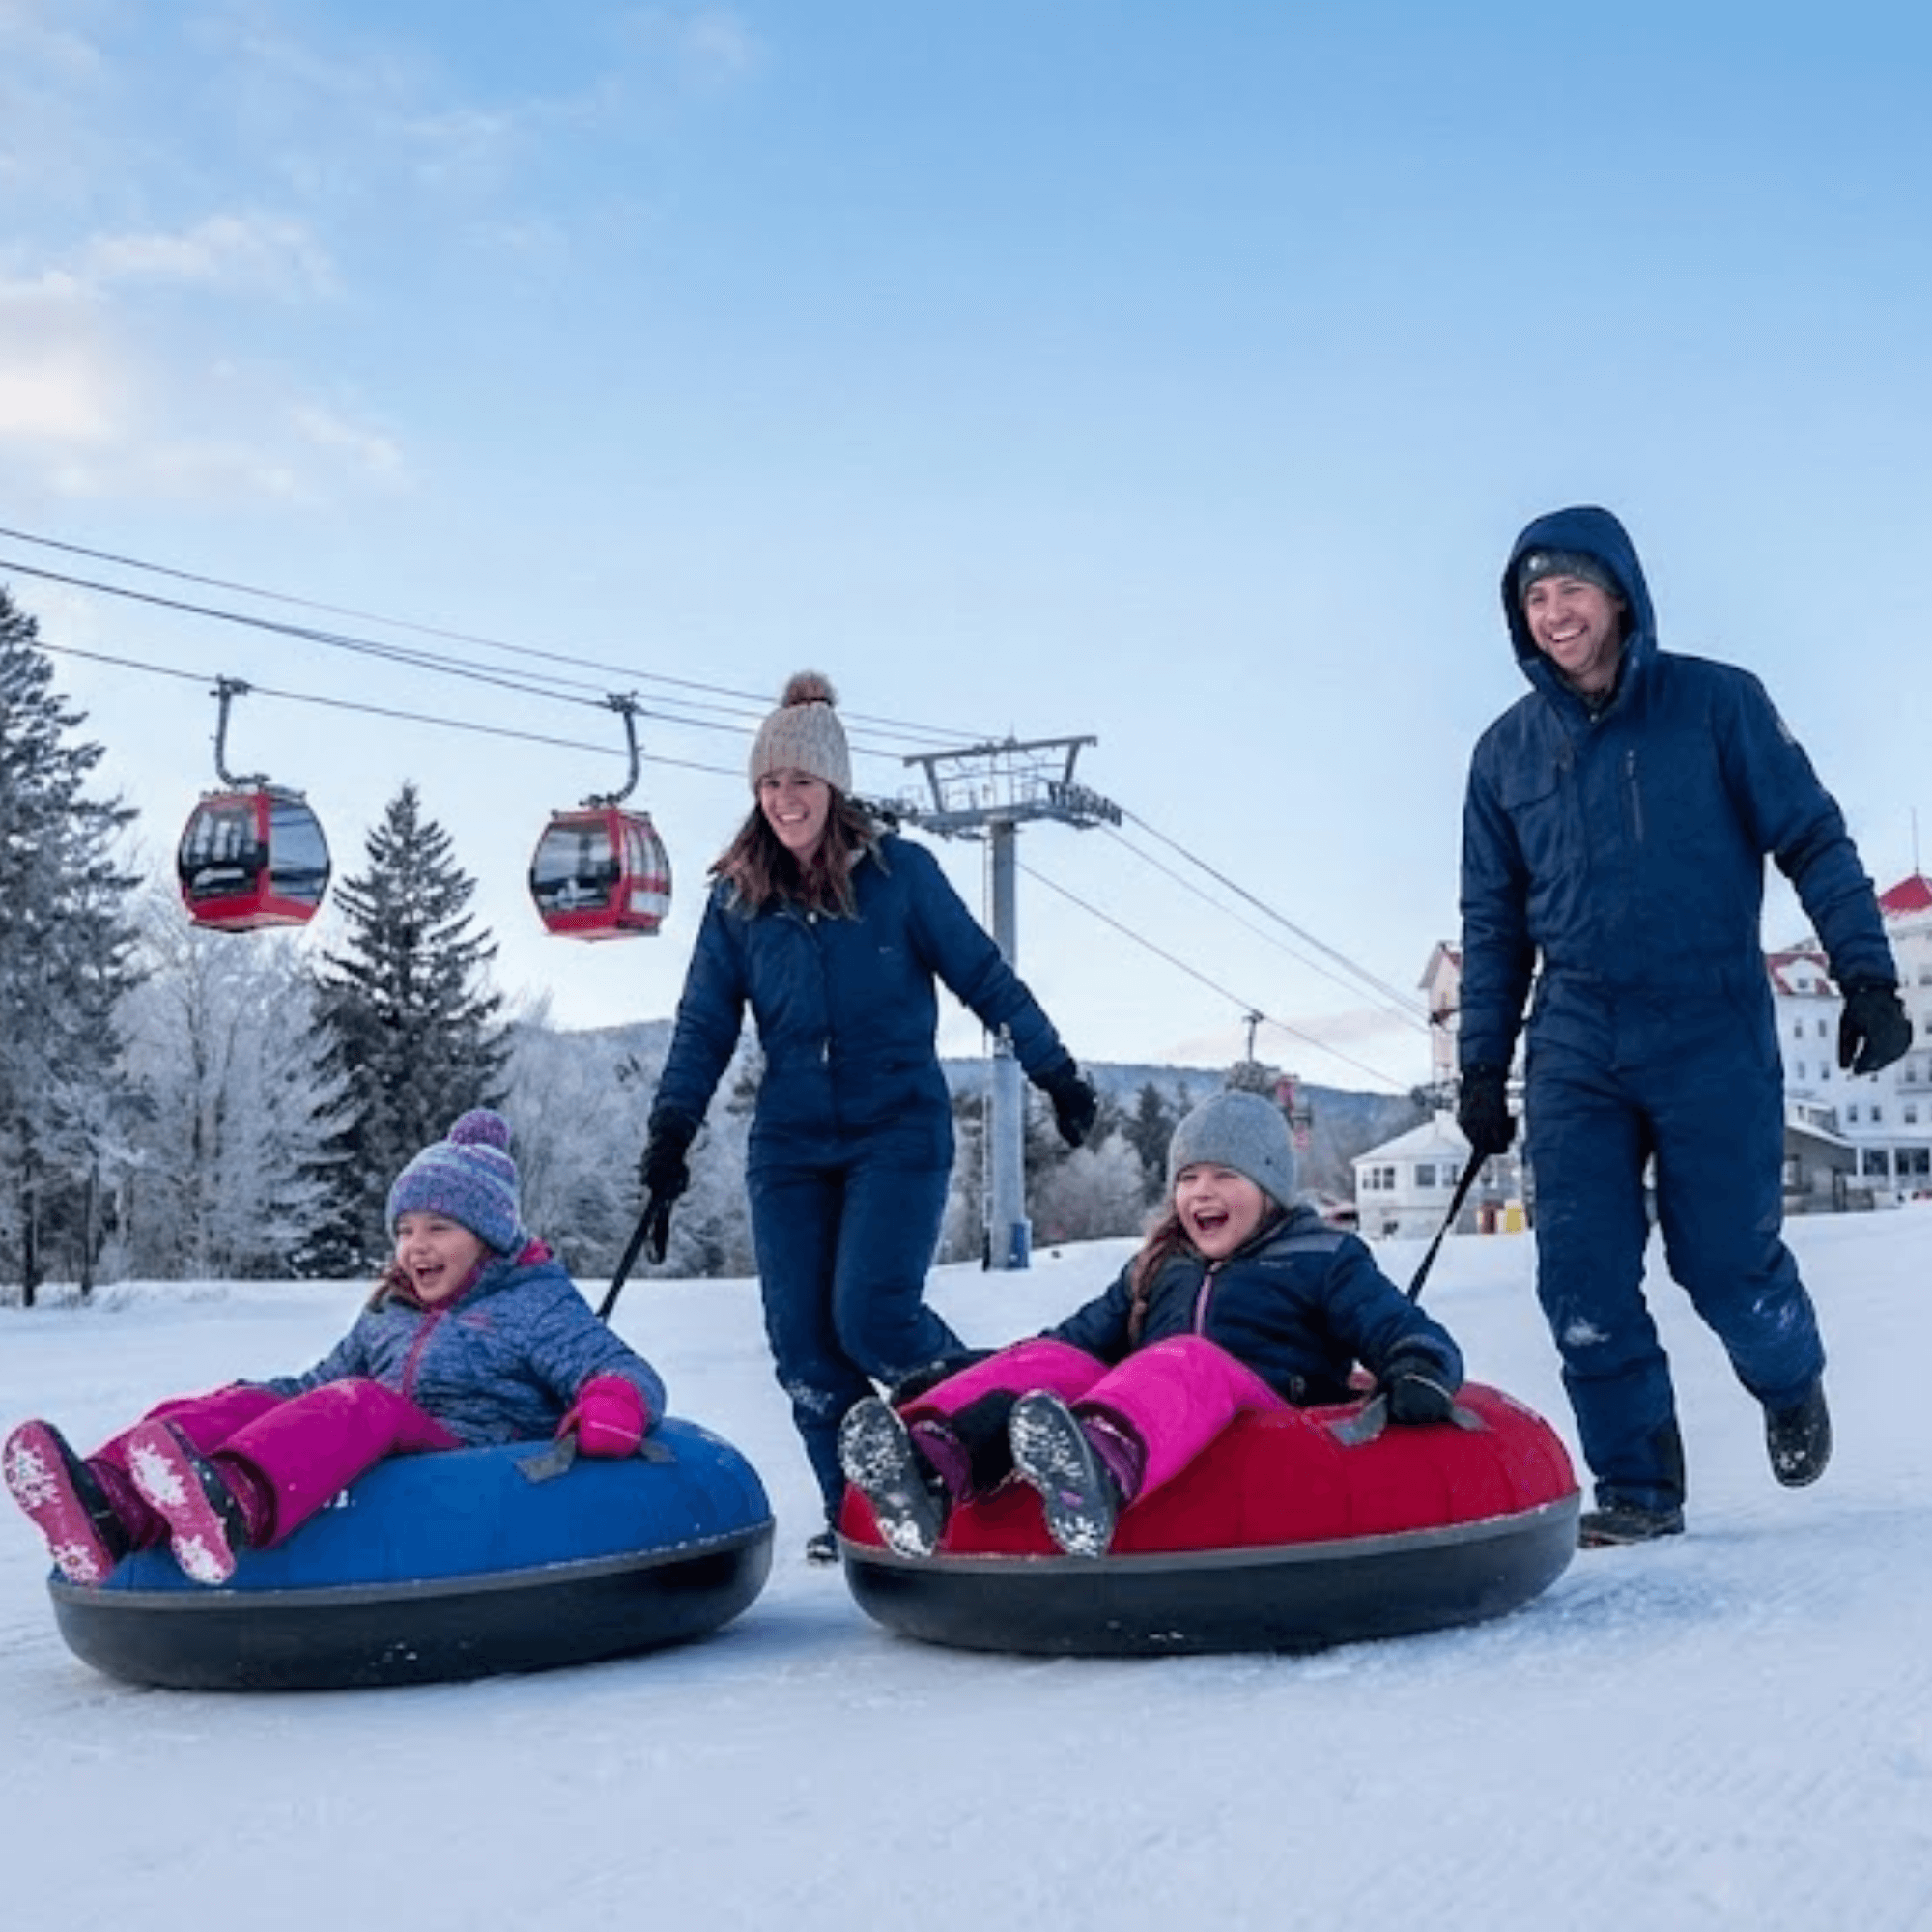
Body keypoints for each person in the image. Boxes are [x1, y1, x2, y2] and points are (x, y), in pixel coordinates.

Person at [1457, 504, 1911, 1549]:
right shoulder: (1503, 754)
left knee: (1723, 1263)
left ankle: (1785, 1372)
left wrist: (1864, 975)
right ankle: (1636, 1485)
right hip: (1573, 1036)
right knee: (1577, 1272)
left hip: (1707, 1022)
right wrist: (1482, 1065)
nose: (1553, 611)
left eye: (1570, 587)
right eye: (1533, 596)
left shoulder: (1717, 704)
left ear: (1618, 593)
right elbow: (1489, 924)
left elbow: (1810, 836)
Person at [639, 671, 1097, 1563]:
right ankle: (864, 1509)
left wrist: (1056, 1070)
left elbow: (985, 979)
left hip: (898, 1130)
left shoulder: (900, 877)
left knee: (873, 1318)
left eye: (800, 782)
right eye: (769, 784)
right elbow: (703, 1027)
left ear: (834, 785)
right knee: (804, 1345)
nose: (783, 801)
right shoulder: (737, 899)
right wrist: (670, 1132)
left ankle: (1011, 1423)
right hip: (790, 1145)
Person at [4, 1110, 667, 1587]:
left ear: (488, 1238)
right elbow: (320, 1381)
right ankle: (110, 1503)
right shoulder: (390, 1311)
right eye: (405, 1229)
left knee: (364, 1403)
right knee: (252, 1400)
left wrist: (613, 1401)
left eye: (439, 1227)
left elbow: (619, 1368)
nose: (416, 1246)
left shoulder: (532, 1303)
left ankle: (233, 1504)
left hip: (467, 1462)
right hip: (375, 1445)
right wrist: (241, 1403)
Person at [836, 1089, 1464, 1560]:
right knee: (1061, 1363)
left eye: (1225, 1175)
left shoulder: (1323, 1259)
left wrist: (1418, 1367)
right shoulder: (1159, 1265)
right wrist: (968, 1370)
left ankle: (1096, 1475)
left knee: (1185, 1357)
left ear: (1271, 1185)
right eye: (1188, 1178)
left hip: (1262, 1416)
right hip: (1165, 1417)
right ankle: (923, 1468)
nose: (1200, 1193)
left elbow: (1397, 1326)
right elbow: (1068, 1345)